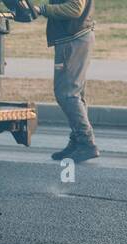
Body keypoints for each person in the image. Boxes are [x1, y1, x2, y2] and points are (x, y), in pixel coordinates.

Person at [34, 1, 99, 163]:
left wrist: (42, 9)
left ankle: (86, 142)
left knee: (67, 94)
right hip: (77, 36)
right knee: (74, 93)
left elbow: (74, 8)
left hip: (73, 39)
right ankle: (78, 141)